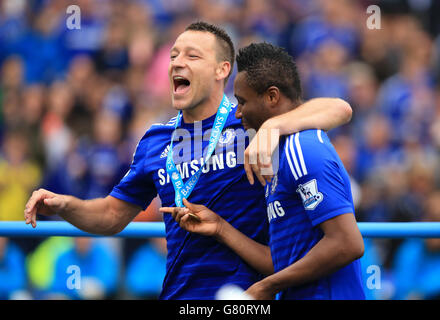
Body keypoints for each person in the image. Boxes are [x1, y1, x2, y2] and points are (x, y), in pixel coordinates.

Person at [24, 22, 353, 300]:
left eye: (192, 55)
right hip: (179, 294)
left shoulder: (250, 118)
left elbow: (339, 108)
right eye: (173, 56)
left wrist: (274, 126)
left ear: (222, 69)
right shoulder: (155, 140)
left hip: (244, 296)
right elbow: (111, 215)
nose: (177, 62)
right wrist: (66, 205)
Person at [162, 42, 365, 300]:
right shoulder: (275, 152)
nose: (237, 112)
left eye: (242, 101)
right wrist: (221, 228)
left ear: (271, 97)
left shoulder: (303, 149)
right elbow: (283, 261)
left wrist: (264, 288)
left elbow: (347, 244)